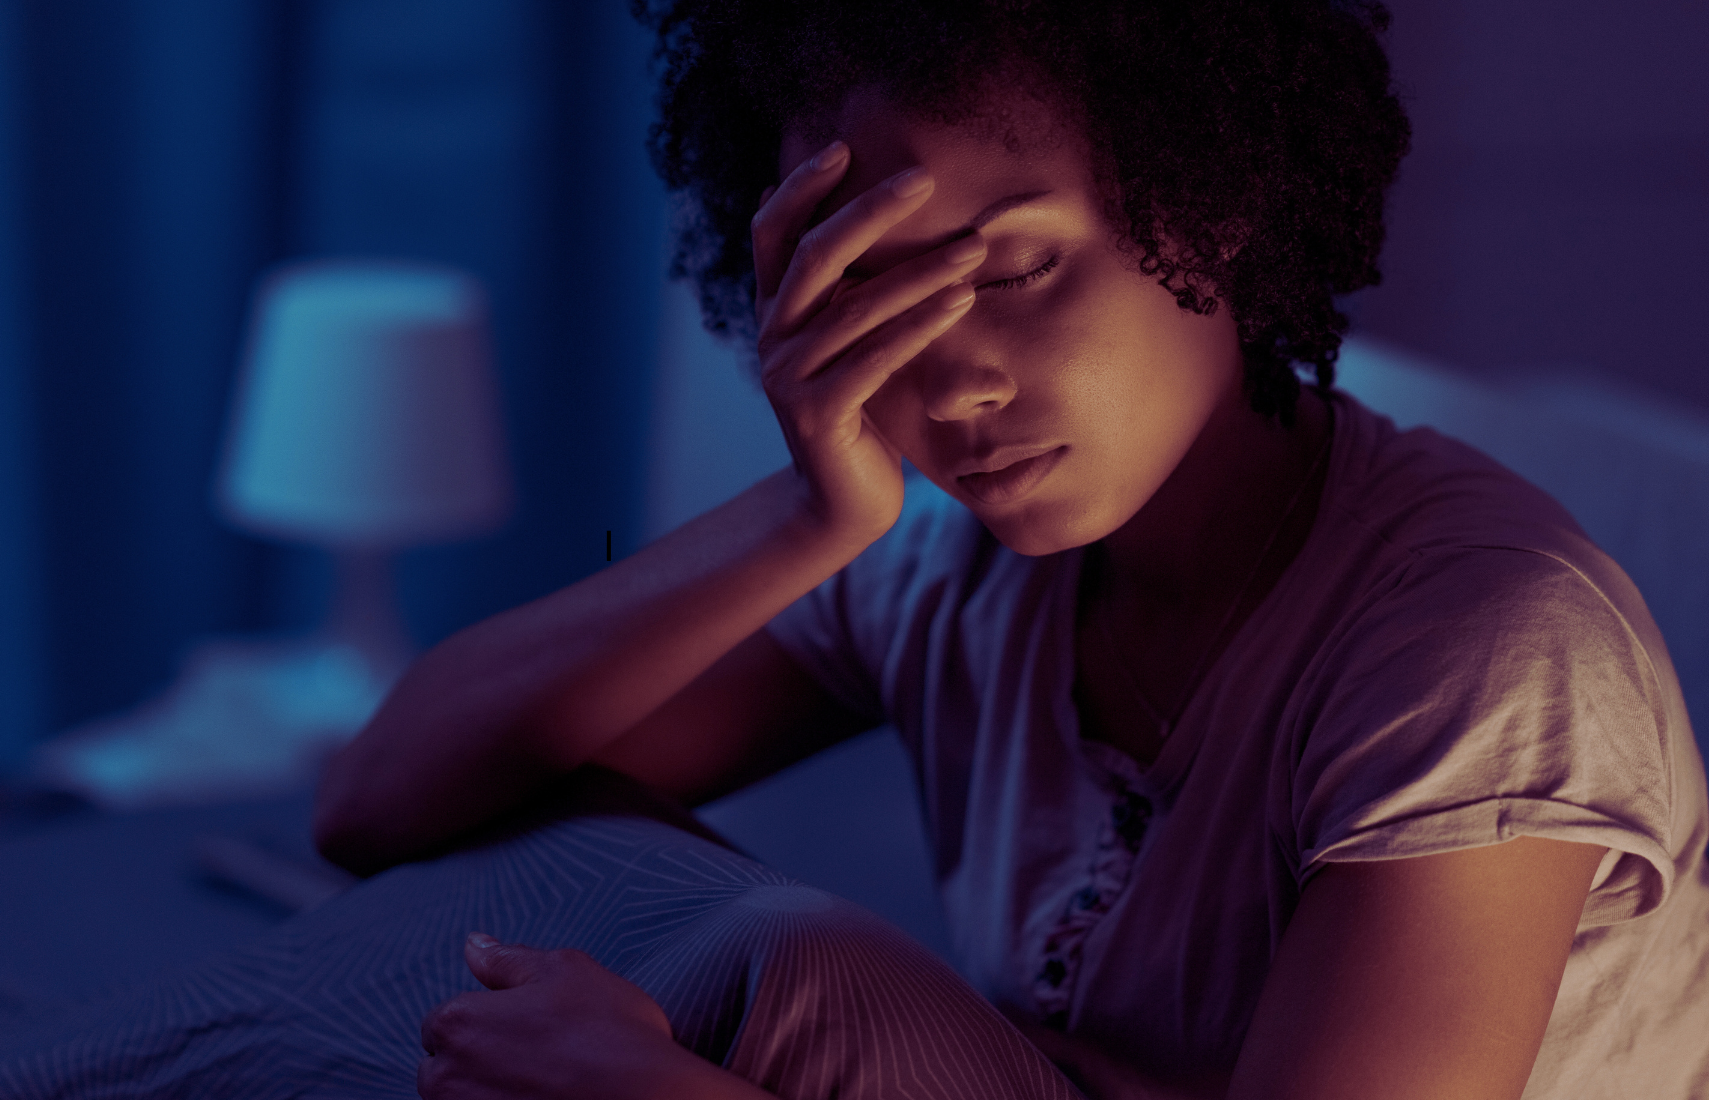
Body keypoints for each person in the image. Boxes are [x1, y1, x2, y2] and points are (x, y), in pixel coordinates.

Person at [246, 0, 1709, 1098]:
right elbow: (382, 802)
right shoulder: (950, 570)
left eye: (1015, 269)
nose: (952, 386)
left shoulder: (1487, 653)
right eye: (870, 298)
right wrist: (815, 511)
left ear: (1217, 201)